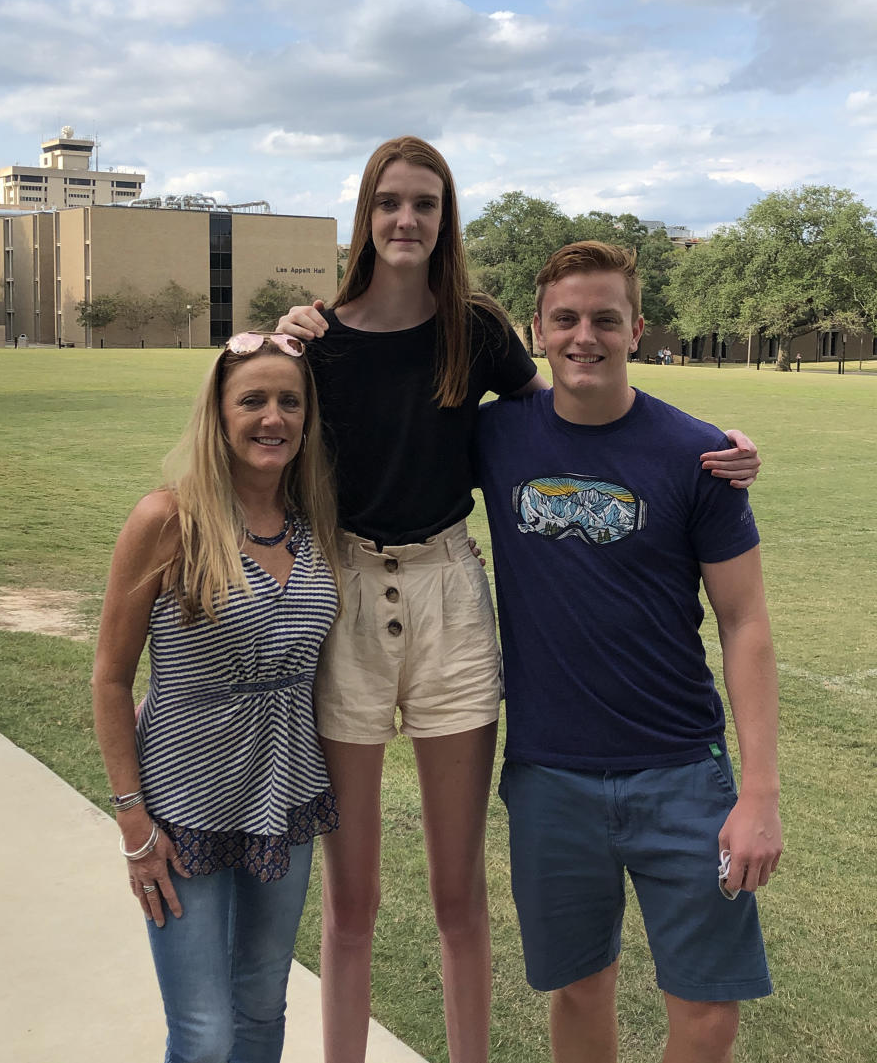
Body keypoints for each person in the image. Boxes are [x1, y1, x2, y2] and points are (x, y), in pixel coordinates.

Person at [276, 137, 761, 1063]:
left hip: (450, 592)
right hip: (345, 596)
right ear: (364, 216)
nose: (406, 219)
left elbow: (569, 414)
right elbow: (250, 423)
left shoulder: (480, 331)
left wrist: (709, 445)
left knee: (460, 900)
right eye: (389, 202)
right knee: (351, 904)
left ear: (444, 216)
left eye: (425, 202)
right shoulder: (320, 339)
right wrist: (255, 342)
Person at [476, 241, 781, 1063]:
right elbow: (377, 433)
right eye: (566, 318)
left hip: (682, 772)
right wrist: (292, 333)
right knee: (579, 987)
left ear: (636, 328)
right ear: (537, 330)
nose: (586, 336)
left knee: (709, 1010)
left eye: (605, 318)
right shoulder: (495, 435)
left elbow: (745, 621)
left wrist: (759, 793)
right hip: (550, 775)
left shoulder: (698, 454)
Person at [92, 331, 340, 1063]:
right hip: (181, 805)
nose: (274, 417)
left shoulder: (315, 522)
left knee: (263, 1009)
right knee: (203, 1035)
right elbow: (110, 676)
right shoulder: (167, 520)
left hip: (283, 796)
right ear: (218, 413)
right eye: (253, 400)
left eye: (289, 401)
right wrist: (134, 824)